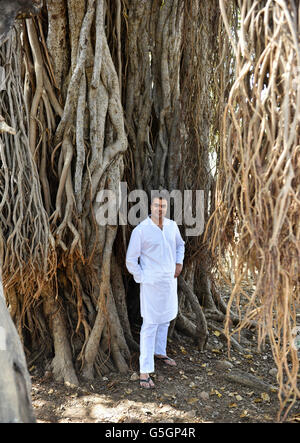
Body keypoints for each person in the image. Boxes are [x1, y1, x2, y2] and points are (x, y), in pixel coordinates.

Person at [126, 192, 185, 389]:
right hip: (150, 285)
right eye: (157, 206)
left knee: (166, 319)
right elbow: (130, 260)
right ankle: (144, 372)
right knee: (150, 324)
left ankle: (160, 352)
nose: (160, 210)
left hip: (169, 282)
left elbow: (180, 245)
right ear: (150, 207)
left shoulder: (172, 226)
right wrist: (144, 277)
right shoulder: (141, 231)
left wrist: (179, 263)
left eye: (163, 207)